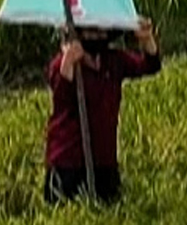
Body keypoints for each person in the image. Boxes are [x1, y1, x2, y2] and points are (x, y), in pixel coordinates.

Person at [44, 18, 162, 206]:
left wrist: (147, 39)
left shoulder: (113, 61)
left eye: (101, 31)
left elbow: (150, 65)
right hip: (69, 163)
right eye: (91, 31)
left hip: (104, 160)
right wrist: (68, 63)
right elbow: (61, 99)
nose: (97, 36)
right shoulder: (63, 65)